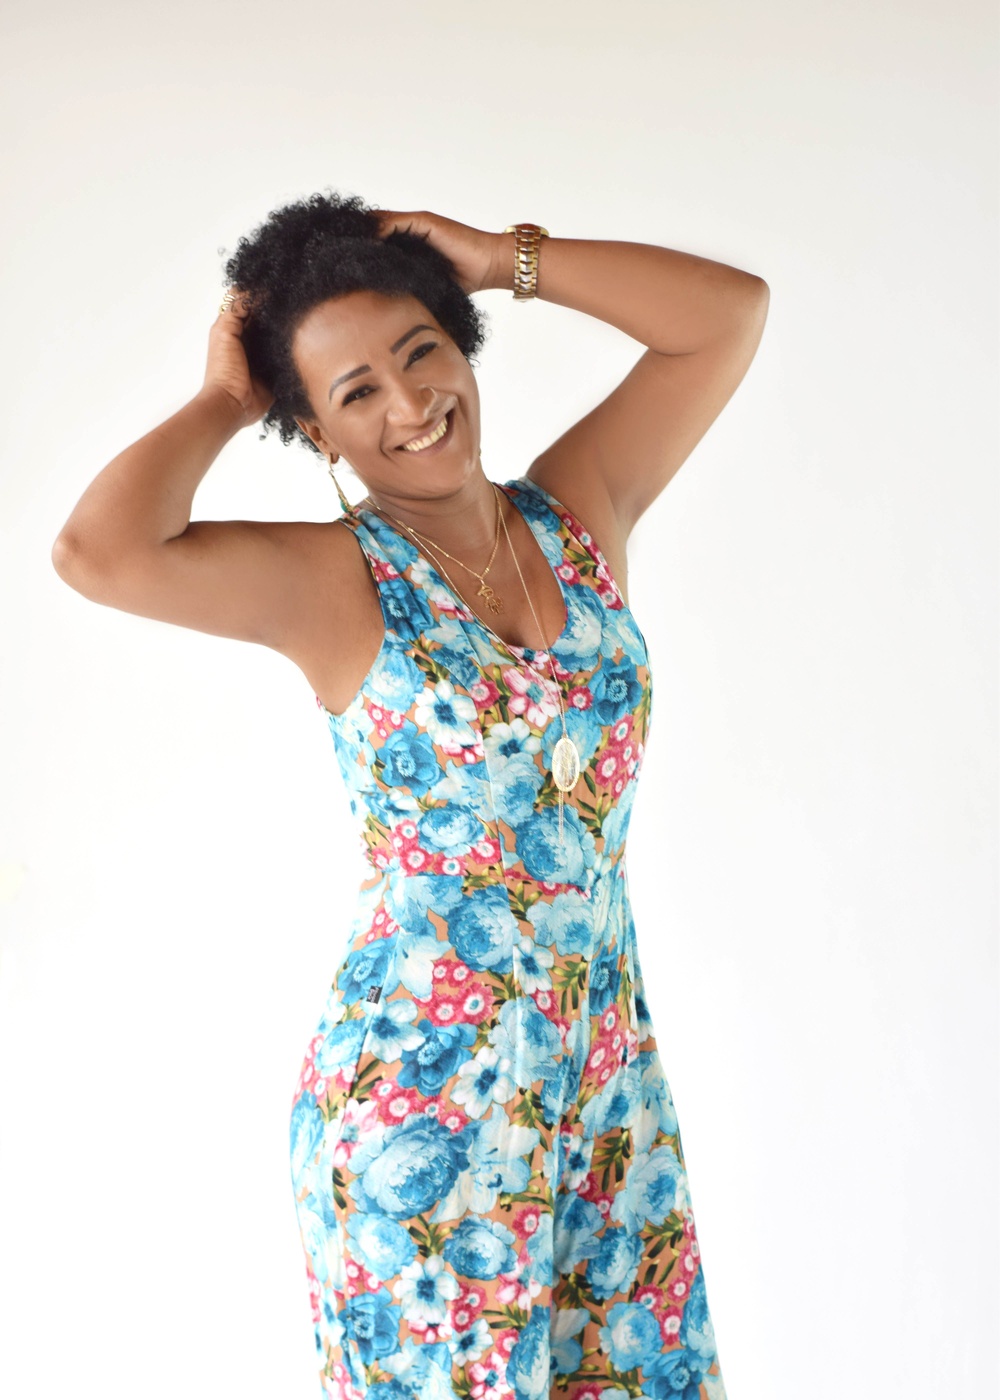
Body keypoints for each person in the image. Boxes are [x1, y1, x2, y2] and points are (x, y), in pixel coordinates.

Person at [52, 192, 769, 1400]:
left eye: (420, 350)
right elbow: (98, 551)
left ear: (461, 341)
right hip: (422, 1106)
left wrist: (496, 257)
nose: (409, 403)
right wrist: (228, 396)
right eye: (355, 391)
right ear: (318, 433)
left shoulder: (577, 513)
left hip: (602, 1090)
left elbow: (727, 317)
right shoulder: (336, 581)